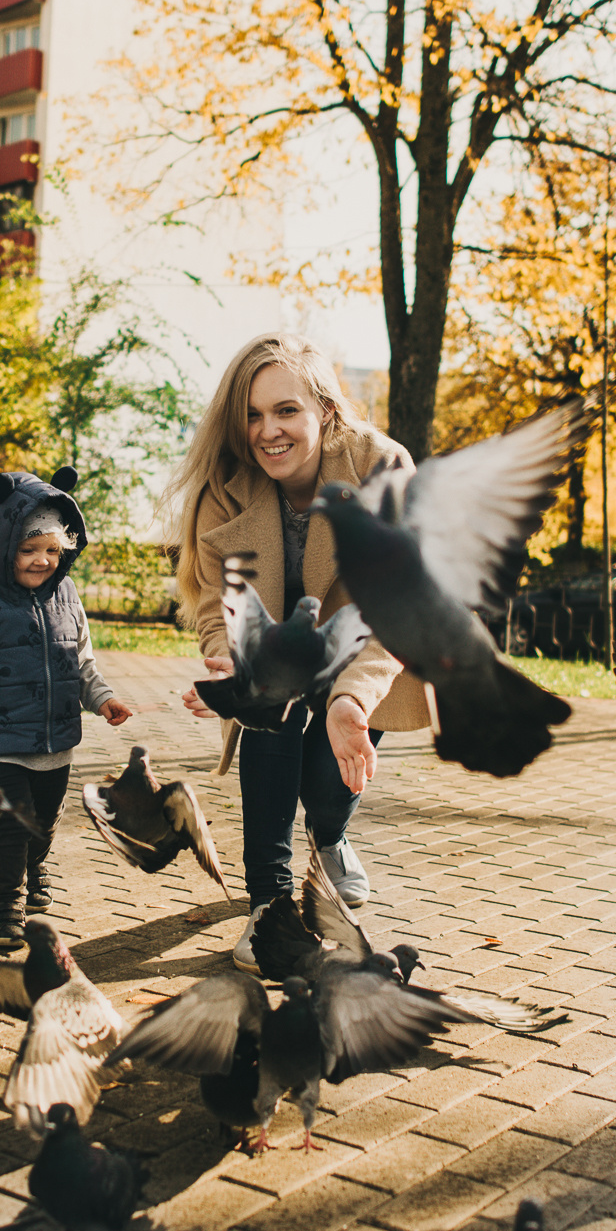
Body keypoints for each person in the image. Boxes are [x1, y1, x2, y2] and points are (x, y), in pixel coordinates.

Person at [164, 333, 429, 972]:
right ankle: (270, 903)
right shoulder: (224, 487)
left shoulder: (381, 468)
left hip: (360, 640)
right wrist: (229, 660)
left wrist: (349, 701)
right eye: (253, 415)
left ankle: (330, 838)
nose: (268, 431)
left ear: (326, 412)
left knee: (329, 782)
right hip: (274, 646)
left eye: (286, 411)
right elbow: (210, 595)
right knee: (268, 728)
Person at [0, 466, 132, 950]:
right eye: (28, 549)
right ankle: (6, 908)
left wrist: (102, 698)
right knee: (11, 823)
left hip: (55, 741)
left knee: (43, 822)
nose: (42, 561)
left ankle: (36, 866)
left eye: (52, 551)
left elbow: (80, 660)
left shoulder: (67, 596)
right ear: (1, 546)